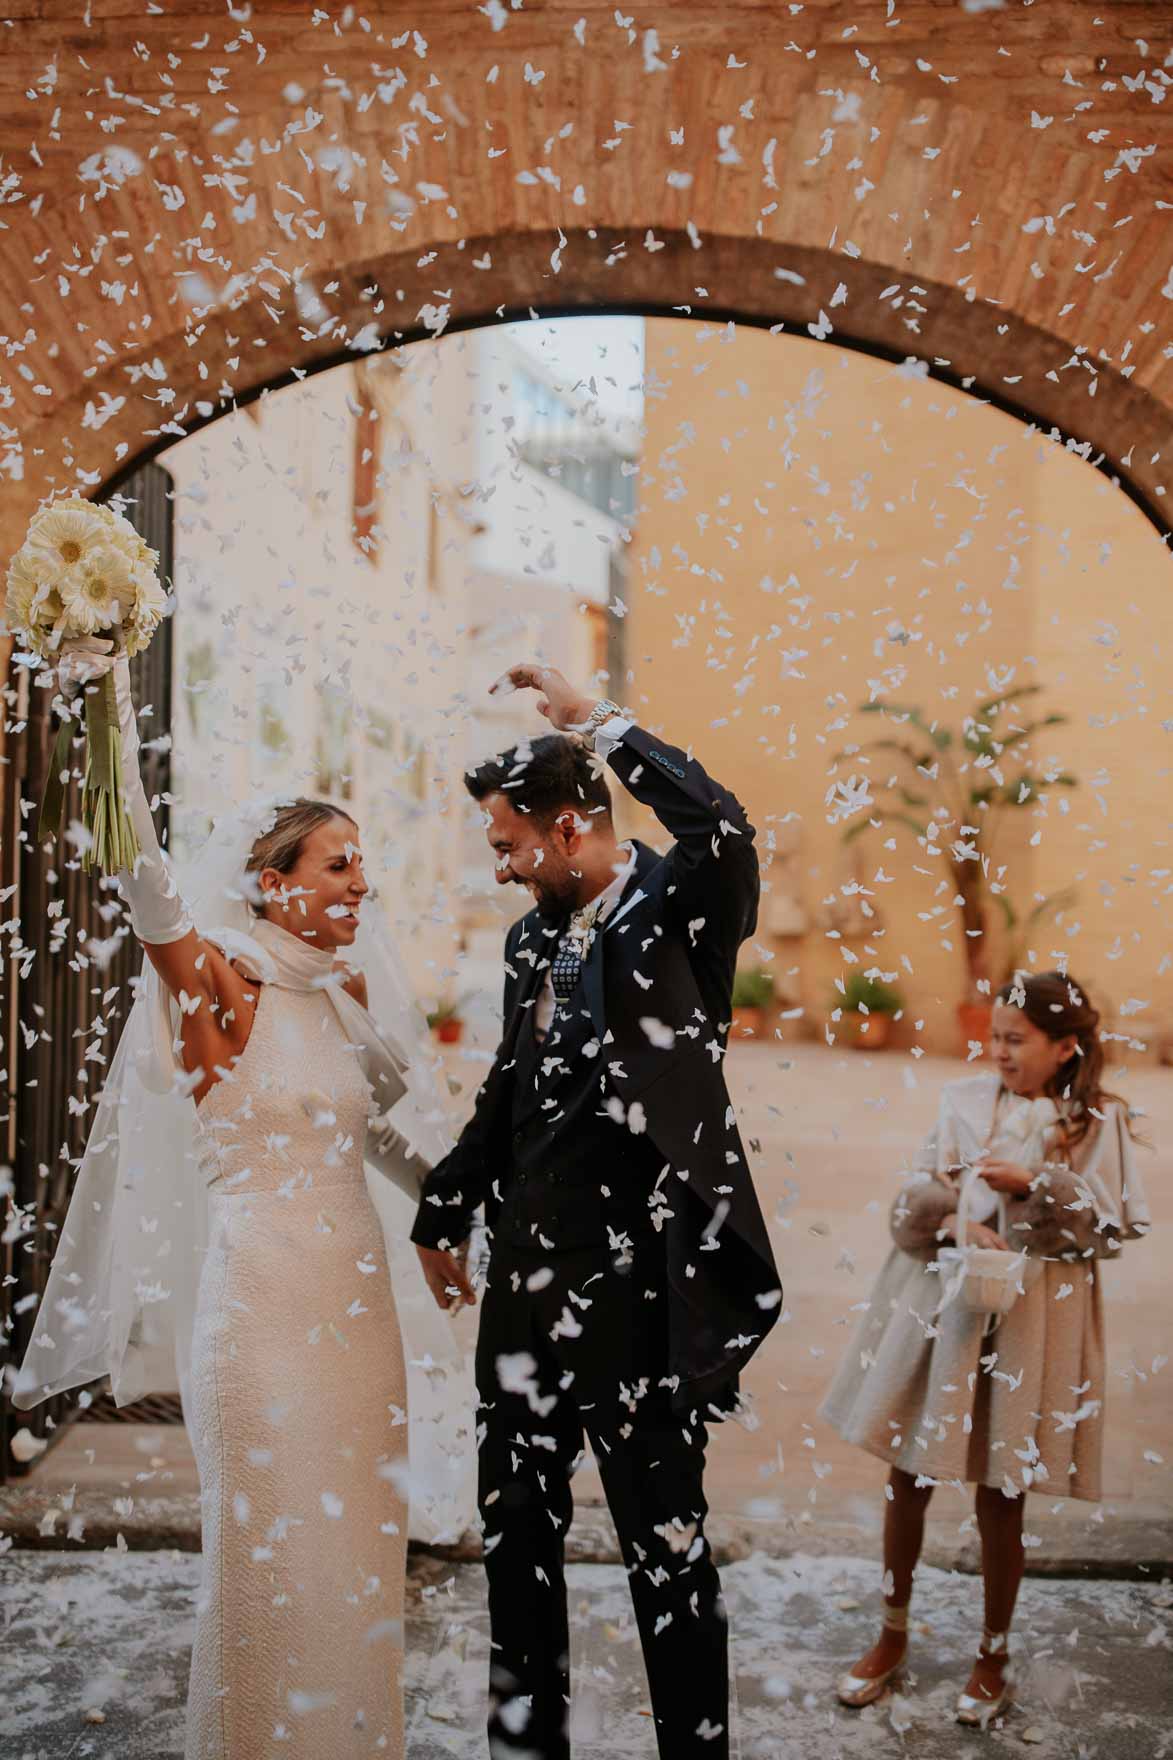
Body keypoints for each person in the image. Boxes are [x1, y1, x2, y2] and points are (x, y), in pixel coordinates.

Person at [14, 634, 468, 1758]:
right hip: (261, 1313)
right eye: (337, 864)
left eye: (363, 863)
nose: (362, 883)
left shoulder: (341, 1001)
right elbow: (141, 873)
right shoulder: (221, 985)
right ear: (272, 880)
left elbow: (395, 1151)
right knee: (268, 1566)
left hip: (356, 1317)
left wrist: (472, 1225)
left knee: (357, 1554)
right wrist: (112, 691)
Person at [411, 661, 782, 1760]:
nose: (502, 866)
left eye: (510, 845)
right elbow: (511, 1089)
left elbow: (723, 824)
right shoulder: (532, 937)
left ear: (571, 828)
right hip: (523, 1292)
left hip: (641, 1297)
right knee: (516, 1542)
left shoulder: (683, 908)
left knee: (665, 1551)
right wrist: (445, 1204)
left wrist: (602, 724)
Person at [821, 970, 1151, 1728]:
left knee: (1002, 1491)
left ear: (1064, 1047)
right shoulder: (962, 1102)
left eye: (1015, 1039)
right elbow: (912, 1194)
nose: (996, 1051)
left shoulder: (1097, 1121)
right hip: (948, 1306)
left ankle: (991, 1655)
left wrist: (1038, 1180)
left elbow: (1114, 1226)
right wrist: (950, 1220)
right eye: (993, 1036)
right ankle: (889, 1636)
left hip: (1034, 1313)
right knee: (909, 1471)